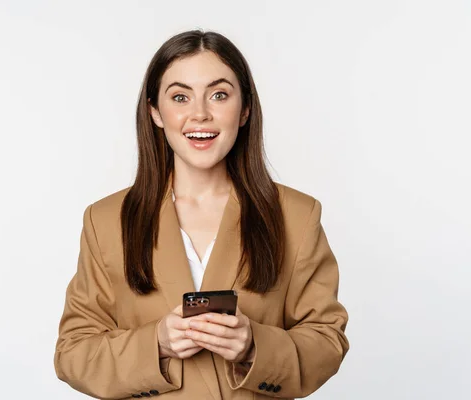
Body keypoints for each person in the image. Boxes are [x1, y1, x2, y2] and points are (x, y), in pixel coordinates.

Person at [54, 29, 349, 400]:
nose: (200, 114)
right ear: (155, 112)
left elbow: (327, 339)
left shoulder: (296, 216)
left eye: (219, 95)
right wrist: (156, 343)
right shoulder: (106, 220)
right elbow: (73, 354)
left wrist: (254, 346)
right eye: (180, 97)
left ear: (244, 110)